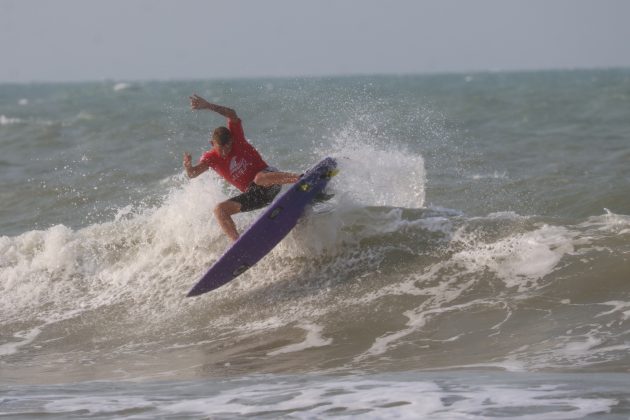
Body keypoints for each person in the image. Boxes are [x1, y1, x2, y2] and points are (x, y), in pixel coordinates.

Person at [183, 94, 301, 241]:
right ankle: (237, 244)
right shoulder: (210, 158)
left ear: (232, 140)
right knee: (220, 210)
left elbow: (232, 114)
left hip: (270, 180)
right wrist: (188, 167)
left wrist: (208, 106)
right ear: (212, 144)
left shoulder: (237, 138)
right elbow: (193, 174)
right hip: (255, 196)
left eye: (229, 147)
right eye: (222, 149)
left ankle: (300, 179)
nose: (226, 151)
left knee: (258, 178)